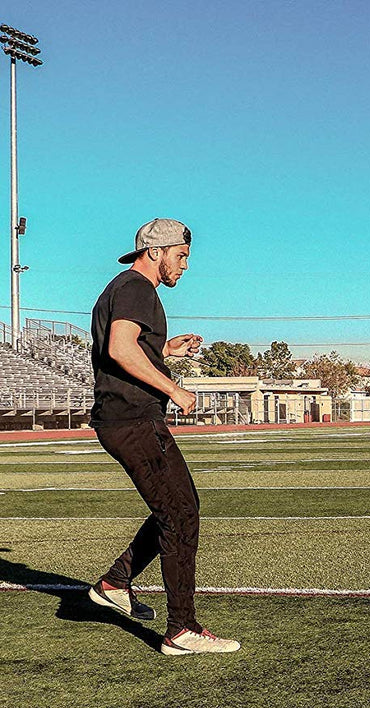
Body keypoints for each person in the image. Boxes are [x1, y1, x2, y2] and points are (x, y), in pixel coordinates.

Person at [86, 218, 240, 655]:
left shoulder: (123, 288)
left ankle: (116, 582)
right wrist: (174, 388)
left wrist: (166, 349)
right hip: (133, 419)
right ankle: (180, 629)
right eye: (182, 255)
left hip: (125, 418)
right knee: (180, 513)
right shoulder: (138, 287)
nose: (185, 265)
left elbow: (125, 345)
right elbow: (119, 348)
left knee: (178, 508)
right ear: (157, 251)